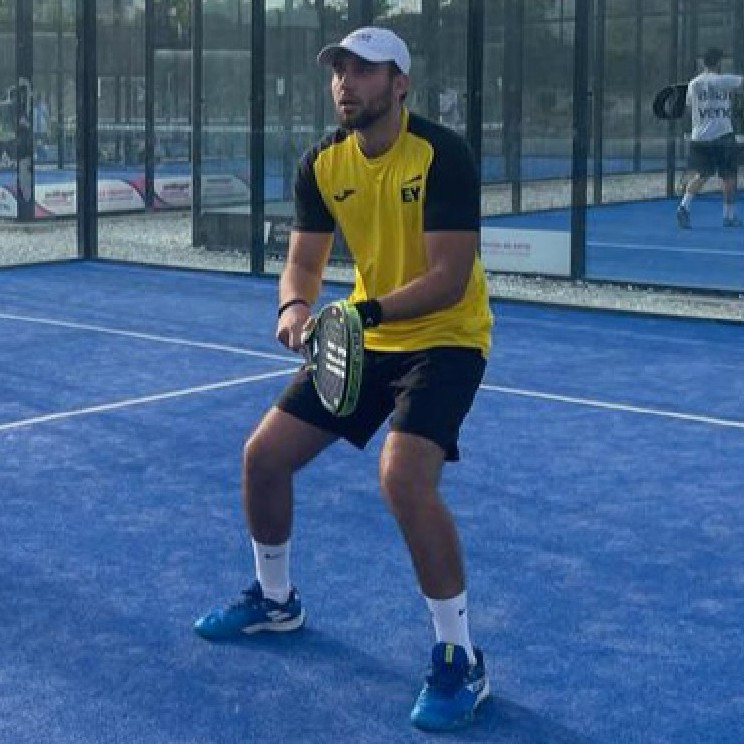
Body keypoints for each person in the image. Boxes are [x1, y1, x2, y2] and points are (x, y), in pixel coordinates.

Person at [194, 27, 493, 731]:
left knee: (403, 478)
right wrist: (293, 308)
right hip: (364, 338)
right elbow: (302, 264)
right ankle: (276, 602)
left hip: (447, 339)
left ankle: (460, 656)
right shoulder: (323, 164)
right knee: (263, 457)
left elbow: (449, 278)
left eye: (363, 70)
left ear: (399, 84)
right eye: (338, 70)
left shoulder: (441, 154)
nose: (345, 82)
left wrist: (361, 313)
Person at [677, 47, 744, 228]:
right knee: (728, 176)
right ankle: (728, 215)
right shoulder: (723, 80)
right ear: (719, 62)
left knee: (701, 174)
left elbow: (690, 107)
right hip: (722, 135)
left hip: (699, 136)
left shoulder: (693, 84)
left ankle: (684, 206)